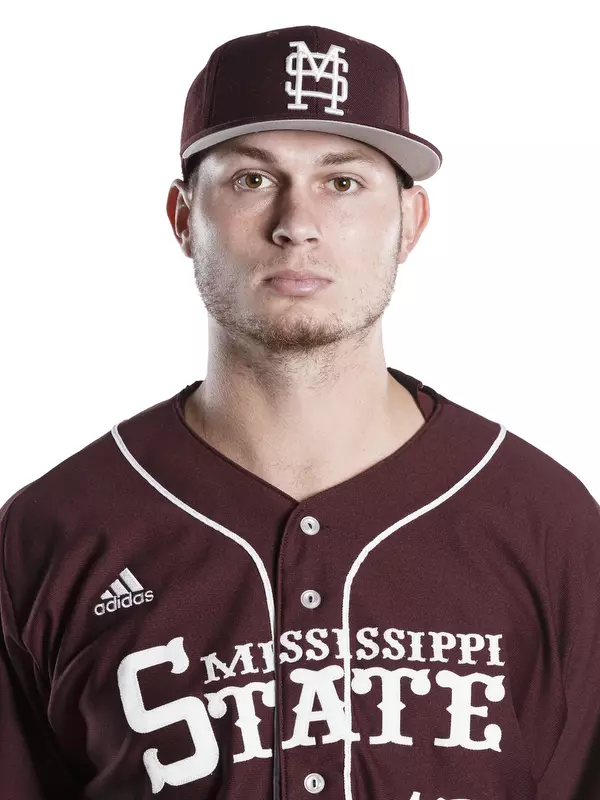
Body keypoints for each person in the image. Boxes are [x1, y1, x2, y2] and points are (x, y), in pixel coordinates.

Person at [1, 23, 599, 800]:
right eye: (252, 180)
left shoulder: (545, 523)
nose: (297, 222)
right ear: (184, 219)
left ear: (411, 222)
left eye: (342, 182)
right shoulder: (53, 533)